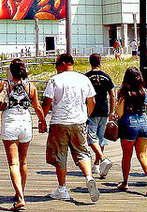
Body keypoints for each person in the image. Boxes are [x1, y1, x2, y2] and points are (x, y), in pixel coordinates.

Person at [42, 53, 99, 203]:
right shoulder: (83, 79)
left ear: (63, 63)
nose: (56, 67)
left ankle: (62, 189)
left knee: (60, 156)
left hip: (59, 122)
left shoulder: (55, 79)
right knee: (82, 152)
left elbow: (47, 102)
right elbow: (91, 100)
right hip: (79, 121)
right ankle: (88, 177)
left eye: (56, 64)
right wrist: (86, 116)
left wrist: (42, 119)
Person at [0, 59, 46, 211]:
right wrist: (42, 122)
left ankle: (20, 197)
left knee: (13, 162)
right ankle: (20, 192)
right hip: (25, 122)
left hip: (10, 122)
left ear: (11, 71)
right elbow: (37, 106)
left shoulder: (4, 85)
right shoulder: (31, 86)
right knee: (24, 161)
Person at [114, 67, 147, 196]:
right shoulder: (146, 92)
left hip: (129, 125)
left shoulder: (124, 93)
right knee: (142, 155)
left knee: (127, 156)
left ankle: (125, 182)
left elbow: (119, 113)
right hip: (144, 125)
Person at [85, 53, 115, 178]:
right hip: (104, 110)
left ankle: (101, 161)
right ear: (100, 62)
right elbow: (113, 95)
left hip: (91, 111)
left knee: (91, 138)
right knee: (101, 138)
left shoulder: (86, 77)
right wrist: (112, 112)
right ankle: (97, 163)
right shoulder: (106, 77)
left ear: (90, 62)